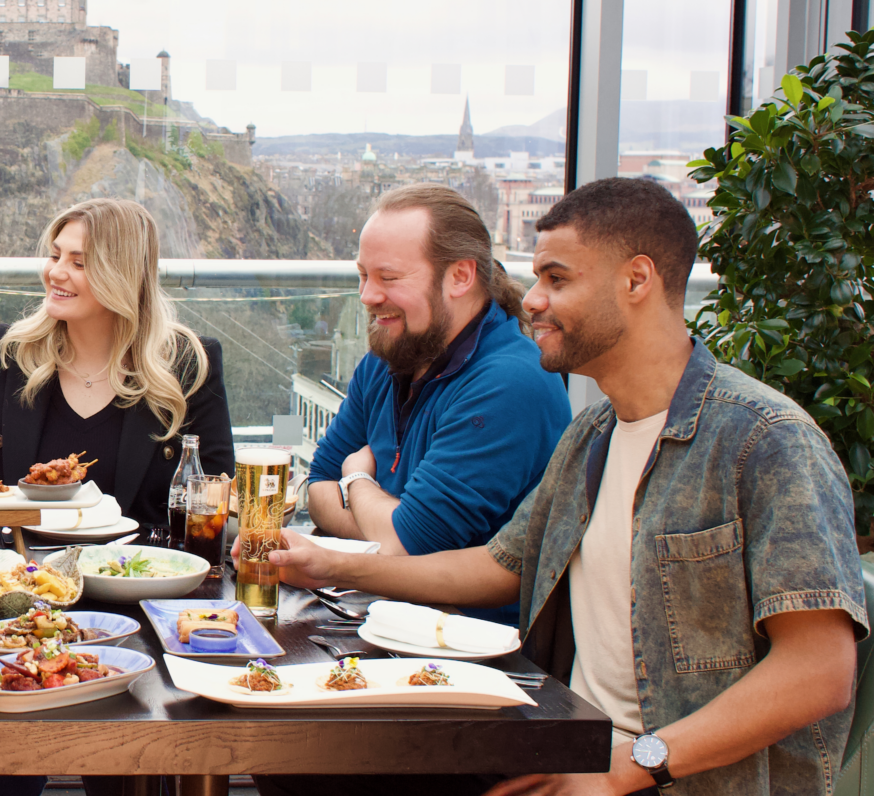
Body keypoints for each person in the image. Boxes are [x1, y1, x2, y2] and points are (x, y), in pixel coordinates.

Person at [265, 178, 865, 796]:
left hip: (663, 777)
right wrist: (324, 564)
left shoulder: (768, 442)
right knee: (297, 766)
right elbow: (499, 568)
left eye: (557, 279)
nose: (530, 301)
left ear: (637, 281)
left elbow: (820, 672)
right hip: (563, 749)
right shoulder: (592, 436)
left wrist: (627, 769)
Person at [305, 184, 568, 619]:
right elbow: (316, 486)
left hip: (477, 653)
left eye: (388, 278)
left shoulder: (511, 382)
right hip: (382, 620)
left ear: (460, 277)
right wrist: (383, 529)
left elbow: (406, 547)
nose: (368, 295)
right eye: (362, 275)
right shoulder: (389, 353)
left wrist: (356, 482)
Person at [0, 198, 233, 526]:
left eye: (79, 264)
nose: (55, 272)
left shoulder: (187, 365)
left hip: (143, 571)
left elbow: (215, 510)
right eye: (55, 256)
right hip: (23, 572)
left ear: (121, 275)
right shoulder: (9, 353)